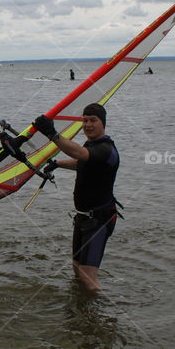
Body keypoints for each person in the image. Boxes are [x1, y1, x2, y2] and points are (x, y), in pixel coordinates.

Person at [34, 103, 120, 292]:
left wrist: (52, 134)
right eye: (85, 120)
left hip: (99, 220)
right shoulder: (92, 147)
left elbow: (81, 154)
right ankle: (82, 304)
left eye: (93, 120)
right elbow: (82, 162)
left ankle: (99, 308)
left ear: (103, 123)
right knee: (76, 268)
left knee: (88, 277)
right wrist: (57, 163)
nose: (88, 125)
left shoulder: (106, 148)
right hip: (82, 218)